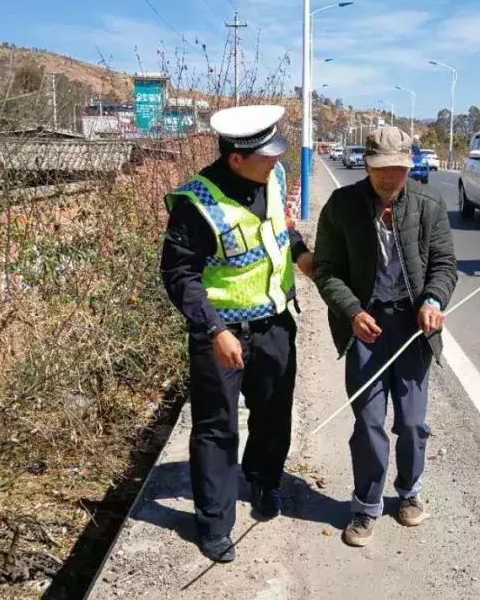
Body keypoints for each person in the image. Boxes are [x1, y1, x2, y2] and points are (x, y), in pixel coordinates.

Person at [159, 104, 313, 563]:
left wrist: (303, 256)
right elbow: (178, 275)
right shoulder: (196, 204)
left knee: (273, 415)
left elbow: (281, 229)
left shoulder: (274, 177)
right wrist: (213, 329)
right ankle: (214, 522)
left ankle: (265, 482)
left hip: (275, 326)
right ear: (235, 159)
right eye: (266, 157)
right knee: (216, 428)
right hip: (221, 334)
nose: (275, 163)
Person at [313, 126, 457, 548]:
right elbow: (326, 269)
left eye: (398, 168)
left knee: (412, 422)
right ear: (367, 164)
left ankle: (408, 492)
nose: (390, 177)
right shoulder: (342, 206)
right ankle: (366, 505)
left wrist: (433, 299)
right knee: (369, 423)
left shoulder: (428, 206)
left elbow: (445, 263)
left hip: (413, 330)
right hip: (366, 328)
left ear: (409, 166)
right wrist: (352, 311)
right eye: (381, 168)